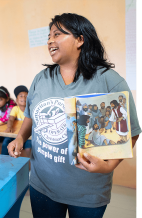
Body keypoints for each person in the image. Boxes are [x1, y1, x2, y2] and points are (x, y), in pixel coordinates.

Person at [7, 13, 141, 218]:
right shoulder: (41, 79)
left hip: (88, 192)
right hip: (42, 185)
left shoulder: (108, 81)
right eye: (49, 36)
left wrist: (108, 166)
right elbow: (30, 117)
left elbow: (131, 133)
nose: (50, 40)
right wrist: (20, 137)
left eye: (57, 34)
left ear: (80, 39)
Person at [2, 85, 31, 157]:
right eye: (21, 96)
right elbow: (11, 119)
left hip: (27, 135)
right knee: (5, 143)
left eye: (26, 96)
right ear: (17, 101)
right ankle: (4, 162)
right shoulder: (15, 108)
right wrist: (9, 127)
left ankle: (30, 164)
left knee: (29, 148)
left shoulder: (31, 109)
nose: (24, 97)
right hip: (15, 134)